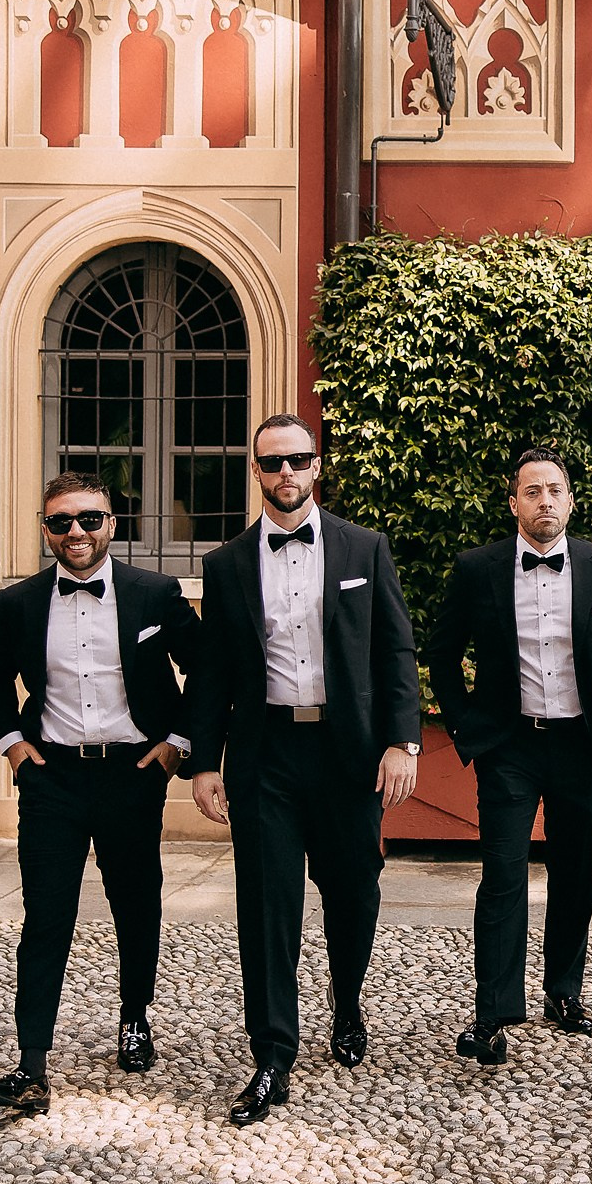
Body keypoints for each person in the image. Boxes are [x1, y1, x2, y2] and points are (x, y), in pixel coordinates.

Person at [184, 414, 424, 1126]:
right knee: (267, 905)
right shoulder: (227, 564)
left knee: (354, 890)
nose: (286, 474)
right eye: (271, 463)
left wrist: (401, 743)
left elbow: (396, 653)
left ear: (316, 467)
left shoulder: (363, 548)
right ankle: (271, 1056)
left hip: (348, 754)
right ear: (255, 472)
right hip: (267, 755)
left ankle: (346, 1003)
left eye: (298, 460)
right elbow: (213, 673)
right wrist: (204, 762)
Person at [0, 472, 200, 1116]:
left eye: (90, 519)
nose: (77, 532)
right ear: (46, 529)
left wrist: (178, 742)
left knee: (135, 900)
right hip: (53, 779)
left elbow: (208, 666)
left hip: (133, 772)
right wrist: (13, 744)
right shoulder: (19, 603)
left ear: (112, 524)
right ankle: (31, 1064)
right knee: (46, 914)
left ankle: (134, 1017)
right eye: (62, 521)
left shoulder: (154, 593)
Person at [424, 448, 592, 1065]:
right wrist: (470, 727)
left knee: (575, 872)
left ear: (571, 499)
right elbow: (442, 653)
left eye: (555, 490)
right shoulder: (478, 569)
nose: (545, 501)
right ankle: (493, 1011)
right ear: (514, 503)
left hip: (584, 746)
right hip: (511, 746)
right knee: (502, 876)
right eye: (532, 492)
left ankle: (564, 990)